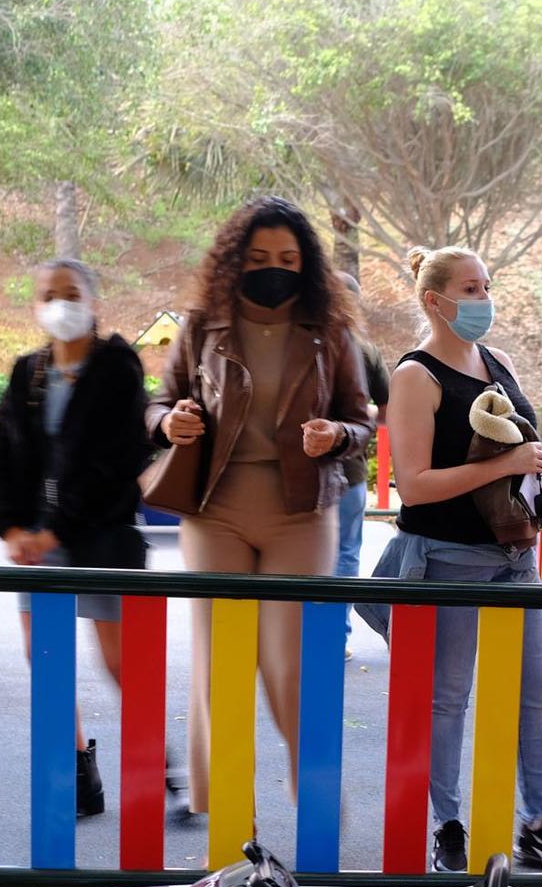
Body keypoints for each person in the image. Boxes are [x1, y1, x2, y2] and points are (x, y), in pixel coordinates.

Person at [146, 196, 374, 817]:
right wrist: (172, 422)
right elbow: (157, 404)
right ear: (234, 260)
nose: (274, 267)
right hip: (214, 509)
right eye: (258, 256)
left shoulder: (329, 331)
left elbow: (361, 421)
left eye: (288, 257)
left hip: (301, 513)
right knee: (221, 664)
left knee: (288, 665)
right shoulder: (202, 325)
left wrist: (336, 436)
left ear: (307, 264)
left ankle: (317, 798)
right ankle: (226, 818)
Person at [367, 245, 542, 873]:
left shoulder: (499, 362)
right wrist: (503, 465)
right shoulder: (415, 376)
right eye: (470, 289)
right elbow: (414, 484)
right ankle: (447, 824)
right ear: (434, 301)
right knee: (448, 698)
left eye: (486, 286)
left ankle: (539, 818)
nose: (483, 300)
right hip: (447, 558)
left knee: (534, 694)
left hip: (514, 554)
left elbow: (531, 449)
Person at [0, 258, 155, 817]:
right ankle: (79, 770)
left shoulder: (118, 369)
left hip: (102, 533)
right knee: (46, 658)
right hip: (38, 538)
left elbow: (117, 461)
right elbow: (2, 456)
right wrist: (12, 526)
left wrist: (53, 529)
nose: (60, 303)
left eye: (71, 292)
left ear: (93, 301)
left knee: (122, 663)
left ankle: (161, 767)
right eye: (49, 294)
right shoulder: (26, 373)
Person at [335, 272, 390, 648]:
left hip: (297, 474)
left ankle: (293, 639)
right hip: (350, 472)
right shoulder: (366, 350)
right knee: (345, 555)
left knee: (300, 556)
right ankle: (336, 637)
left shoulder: (296, 345)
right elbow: (389, 410)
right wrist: (361, 420)